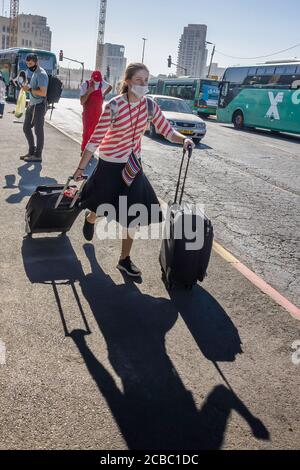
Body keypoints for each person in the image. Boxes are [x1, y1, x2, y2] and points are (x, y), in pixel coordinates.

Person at [74, 62, 195, 278]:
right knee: (103, 207)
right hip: (110, 164)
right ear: (128, 82)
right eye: (139, 80)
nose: (143, 84)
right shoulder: (114, 106)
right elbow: (95, 140)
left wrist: (184, 139)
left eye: (146, 81)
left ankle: (124, 260)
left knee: (132, 214)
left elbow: (167, 131)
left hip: (132, 165)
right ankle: (91, 218)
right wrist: (81, 167)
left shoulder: (149, 106)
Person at [20, 54, 49, 162]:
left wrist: (29, 90)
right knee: (26, 128)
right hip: (32, 104)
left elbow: (43, 92)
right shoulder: (34, 73)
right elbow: (33, 88)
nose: (29, 66)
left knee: (38, 130)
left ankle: (38, 155)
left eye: (30, 63)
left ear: (36, 62)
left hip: (39, 105)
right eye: (27, 64)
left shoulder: (41, 74)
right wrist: (25, 86)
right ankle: (31, 151)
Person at [80, 70, 112, 155]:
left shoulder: (102, 83)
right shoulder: (85, 85)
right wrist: (89, 92)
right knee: (86, 133)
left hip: (97, 114)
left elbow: (110, 87)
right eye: (95, 80)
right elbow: (82, 102)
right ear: (91, 78)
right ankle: (83, 151)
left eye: (99, 80)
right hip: (87, 114)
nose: (97, 82)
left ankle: (90, 152)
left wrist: (104, 94)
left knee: (94, 134)